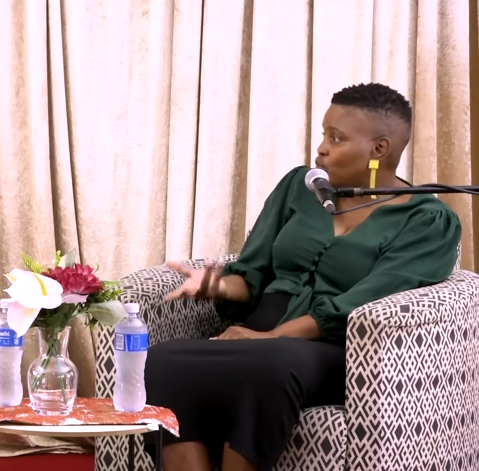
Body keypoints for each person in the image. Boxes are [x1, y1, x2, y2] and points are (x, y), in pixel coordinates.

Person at [144, 82, 461, 471]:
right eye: (324, 134)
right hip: (261, 337)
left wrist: (272, 337)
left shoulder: (427, 220)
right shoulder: (300, 186)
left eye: (336, 138)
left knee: (270, 364)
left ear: (379, 149)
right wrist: (217, 285)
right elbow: (252, 274)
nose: (321, 148)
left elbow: (366, 300)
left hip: (333, 349)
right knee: (158, 360)